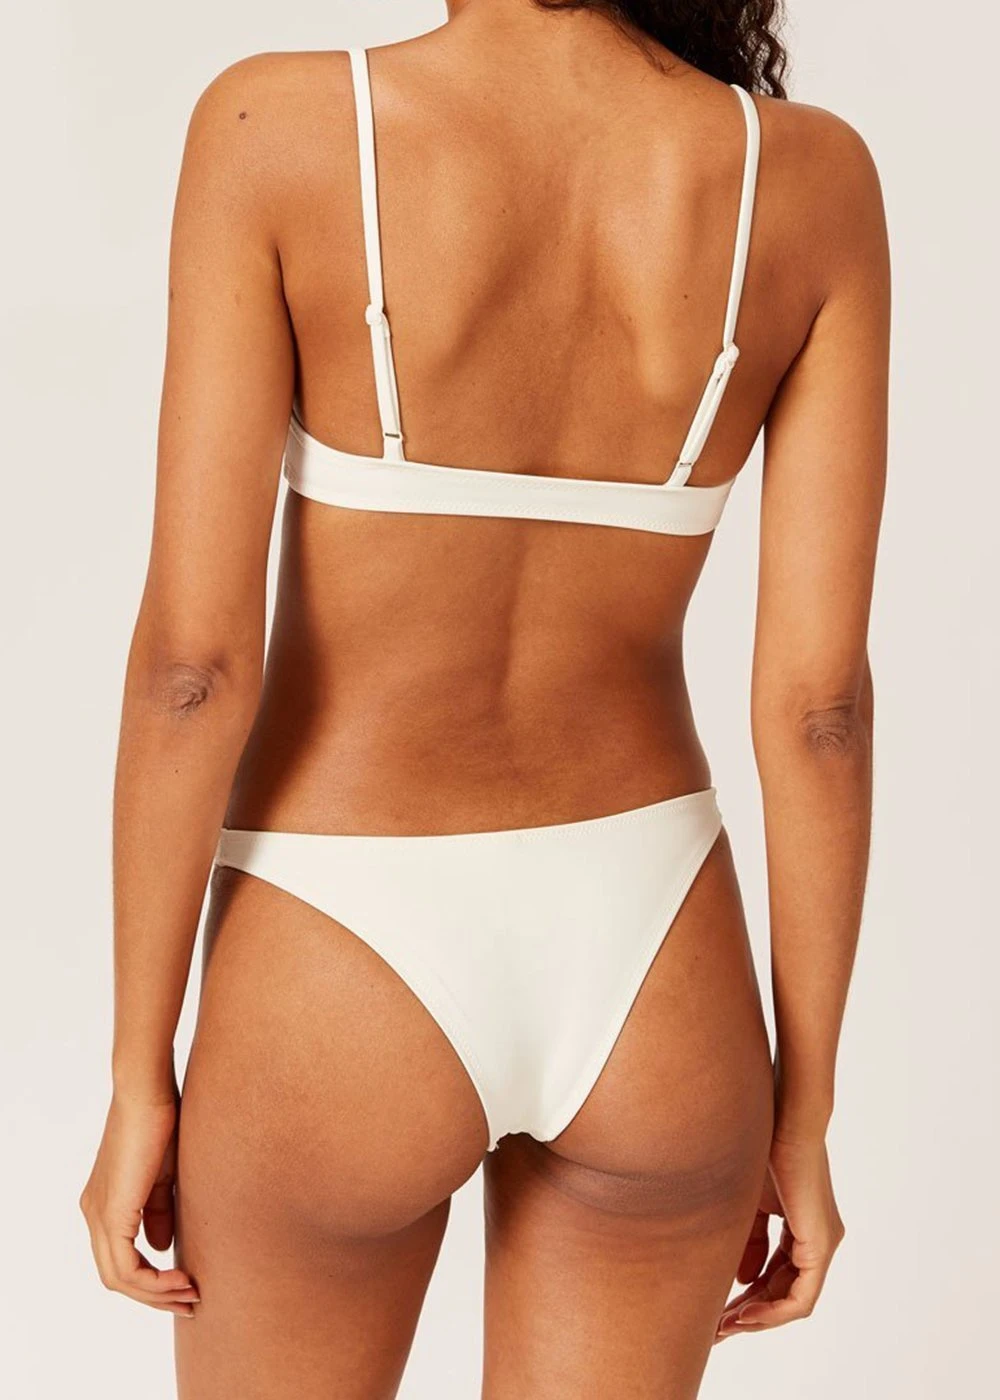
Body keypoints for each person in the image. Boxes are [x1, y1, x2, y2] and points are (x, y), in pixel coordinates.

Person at [79, 1, 889, 1395]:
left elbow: (192, 670)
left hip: (335, 948)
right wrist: (802, 1114)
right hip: (656, 959)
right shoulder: (810, 179)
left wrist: (138, 1072)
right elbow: (819, 711)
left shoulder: (280, 129)